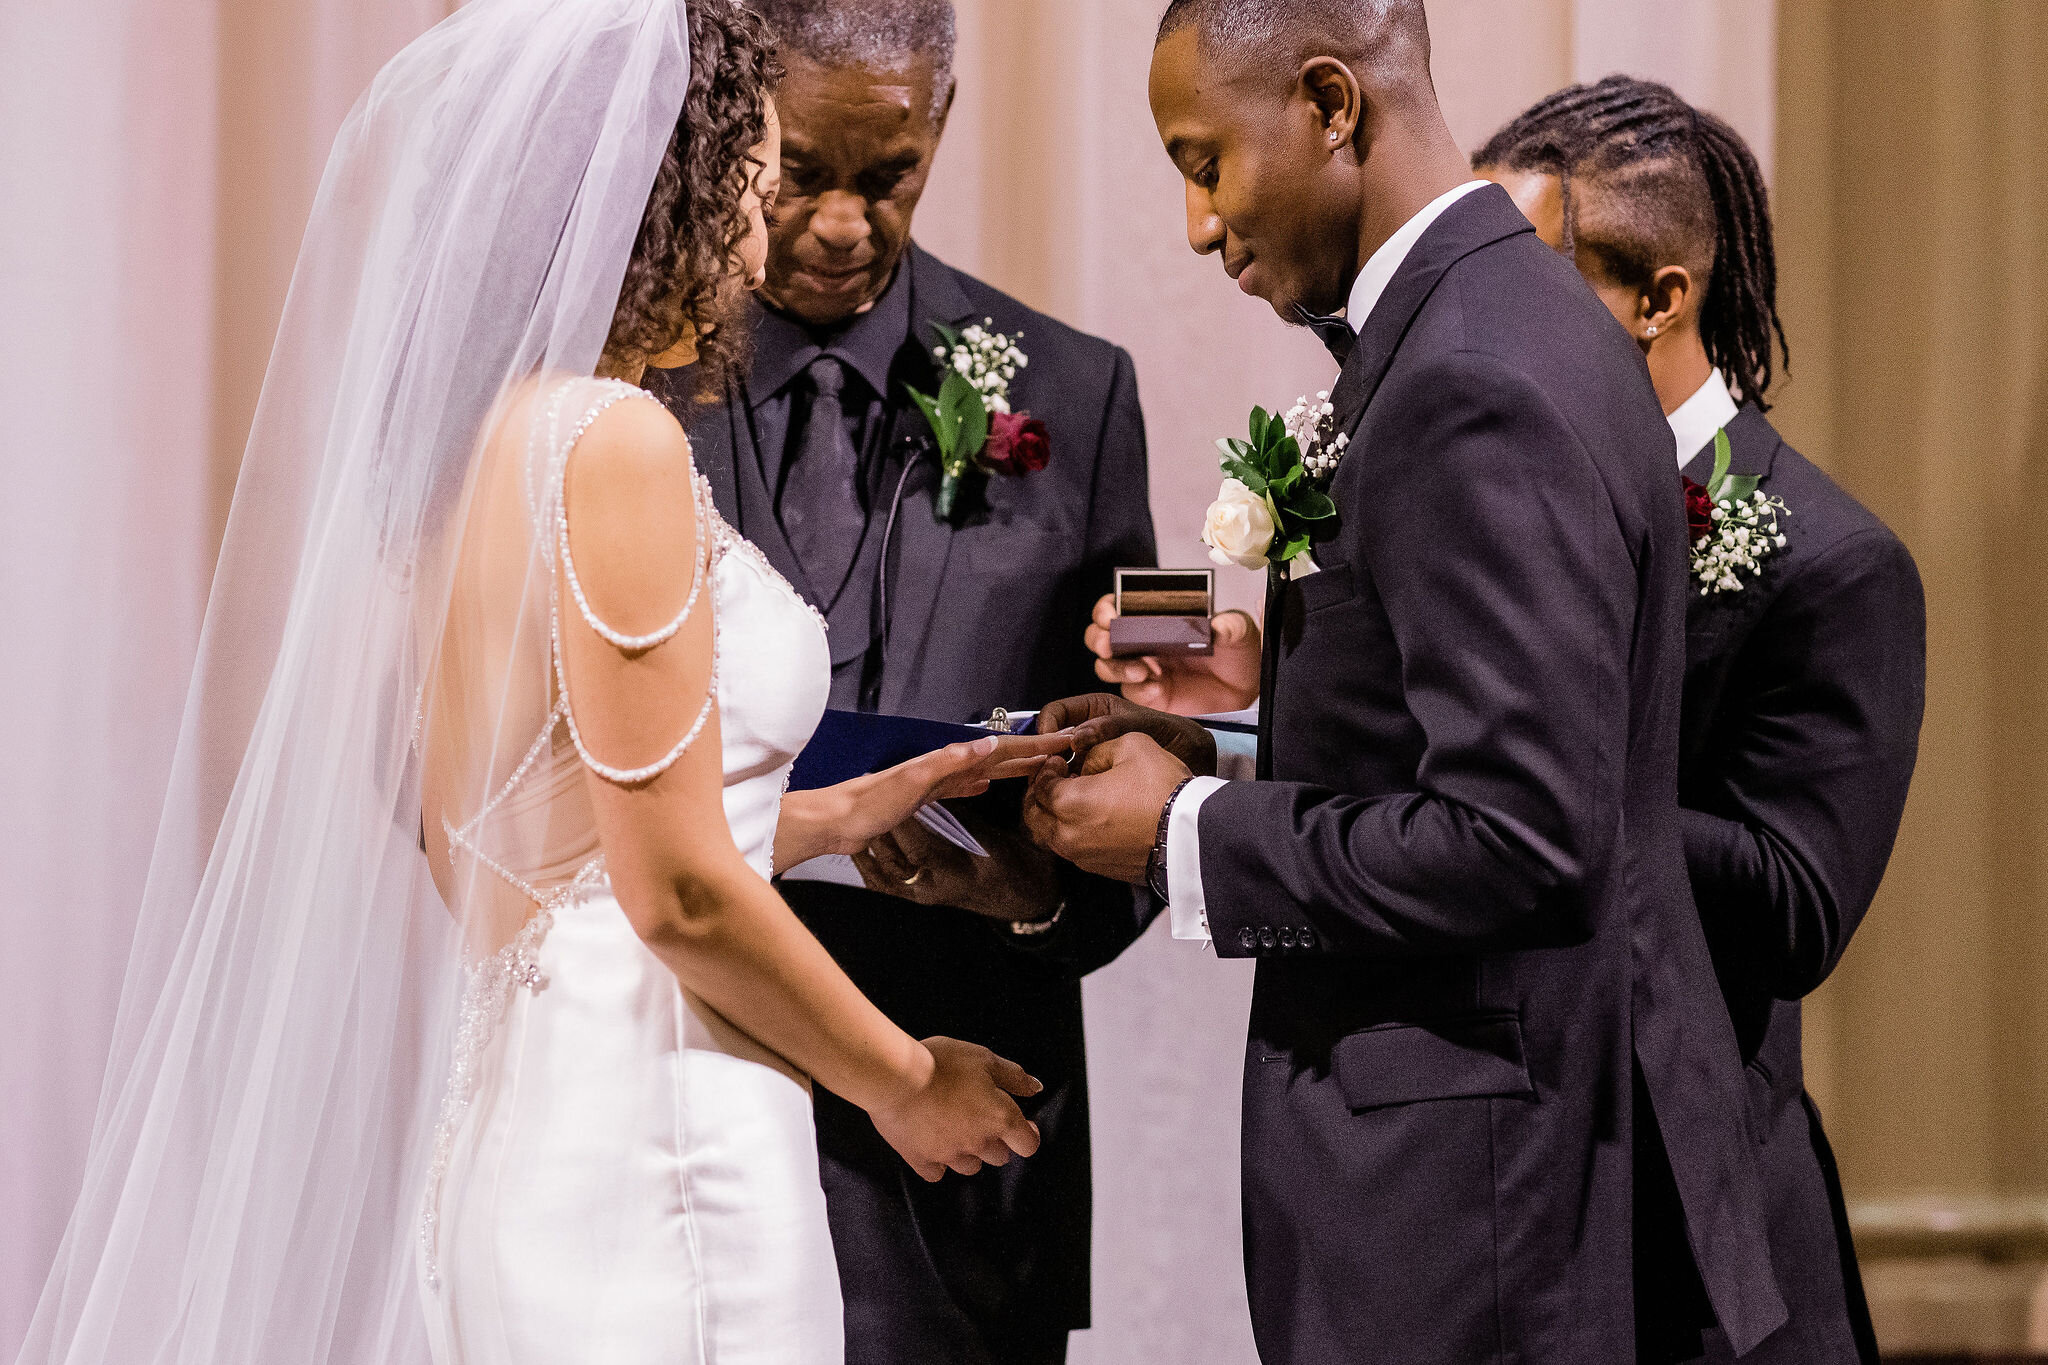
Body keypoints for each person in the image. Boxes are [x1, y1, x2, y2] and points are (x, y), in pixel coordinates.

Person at [17, 3, 1072, 1362]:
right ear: (666, 199)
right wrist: (907, 1080)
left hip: (529, 1123)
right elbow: (677, 893)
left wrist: (830, 816)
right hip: (661, 1145)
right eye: (750, 189)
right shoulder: (609, 439)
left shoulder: (466, 461)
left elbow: (531, 839)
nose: (760, 239)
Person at [1027, 2, 1785, 1361]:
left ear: (1329, 102)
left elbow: (1523, 832)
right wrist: (1213, 755)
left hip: (1471, 1211)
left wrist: (1181, 831)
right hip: (1499, 1172)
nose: (1200, 225)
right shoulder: (1507, 321)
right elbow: (1461, 757)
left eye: (1206, 163)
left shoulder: (1472, 371)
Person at [643, 5, 1159, 1361]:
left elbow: (1138, 784)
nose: (837, 224)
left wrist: (1042, 894)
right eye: (801, 170)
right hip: (670, 1120)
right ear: (733, 126)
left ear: (941, 120)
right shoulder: (615, 377)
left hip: (966, 1167)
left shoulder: (1079, 394)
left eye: (888, 178)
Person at [1471, 76, 1926, 1364]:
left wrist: (1549, 781)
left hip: (1707, 1221)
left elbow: (1795, 905)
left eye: (1531, 279)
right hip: (1513, 1196)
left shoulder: (1836, 564)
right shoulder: (1506, 517)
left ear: (1660, 299)